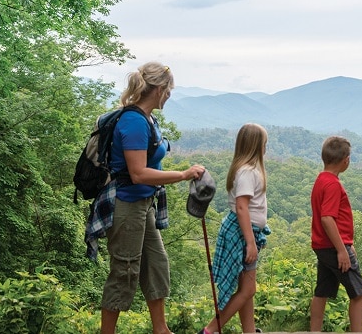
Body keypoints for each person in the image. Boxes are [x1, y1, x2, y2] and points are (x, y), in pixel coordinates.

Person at [84, 61, 206, 334]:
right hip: (126, 205)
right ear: (160, 89)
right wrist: (183, 174)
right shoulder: (133, 122)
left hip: (144, 204)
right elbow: (138, 173)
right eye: (169, 90)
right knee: (124, 271)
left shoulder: (149, 119)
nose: (170, 95)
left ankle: (160, 329)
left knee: (156, 264)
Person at [199, 123, 271, 334]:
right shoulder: (248, 172)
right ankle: (210, 330)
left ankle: (249, 331)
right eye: (264, 144)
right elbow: (241, 207)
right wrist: (250, 243)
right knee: (249, 289)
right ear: (256, 146)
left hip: (244, 232)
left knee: (245, 290)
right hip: (242, 234)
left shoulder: (245, 169)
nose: (266, 148)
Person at [310, 136, 362, 332]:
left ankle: (314, 331)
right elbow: (327, 218)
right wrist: (343, 250)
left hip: (322, 246)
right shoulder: (333, 184)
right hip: (334, 248)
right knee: (358, 293)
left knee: (322, 291)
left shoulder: (321, 180)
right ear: (346, 160)